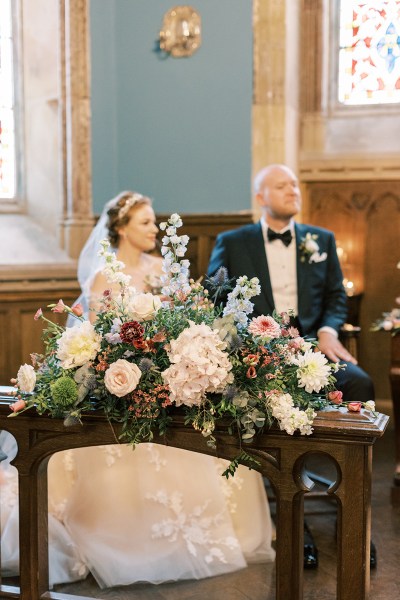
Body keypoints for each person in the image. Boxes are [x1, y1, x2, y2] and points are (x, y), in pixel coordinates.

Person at [1, 191, 275, 588]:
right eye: (145, 223)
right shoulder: (103, 275)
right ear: (121, 228)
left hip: (169, 379)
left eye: (156, 222)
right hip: (121, 381)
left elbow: (184, 318)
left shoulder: (165, 268)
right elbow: (94, 336)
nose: (155, 229)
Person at [206, 164, 376, 568]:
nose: (293, 189)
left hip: (315, 351)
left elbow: (337, 297)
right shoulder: (232, 242)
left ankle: (355, 517)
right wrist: (252, 346)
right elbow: (216, 299)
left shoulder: (321, 239)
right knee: (266, 405)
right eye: (281, 185)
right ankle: (293, 523)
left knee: (360, 384)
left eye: (295, 184)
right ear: (261, 197)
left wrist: (330, 331)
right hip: (261, 360)